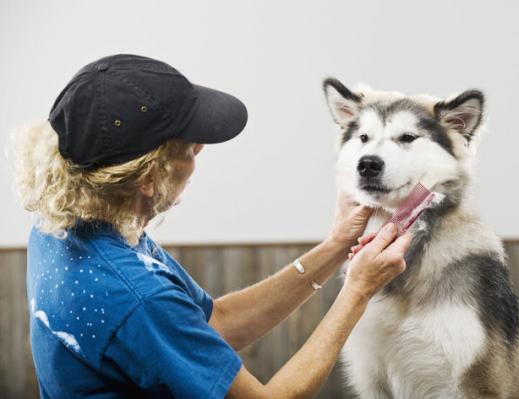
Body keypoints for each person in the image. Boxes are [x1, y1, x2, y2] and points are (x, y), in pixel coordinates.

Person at [11, 54, 411, 399]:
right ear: (148, 178)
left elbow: (211, 325)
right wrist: (357, 289)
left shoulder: (65, 225)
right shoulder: (136, 298)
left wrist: (336, 247)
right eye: (188, 145)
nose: (200, 147)